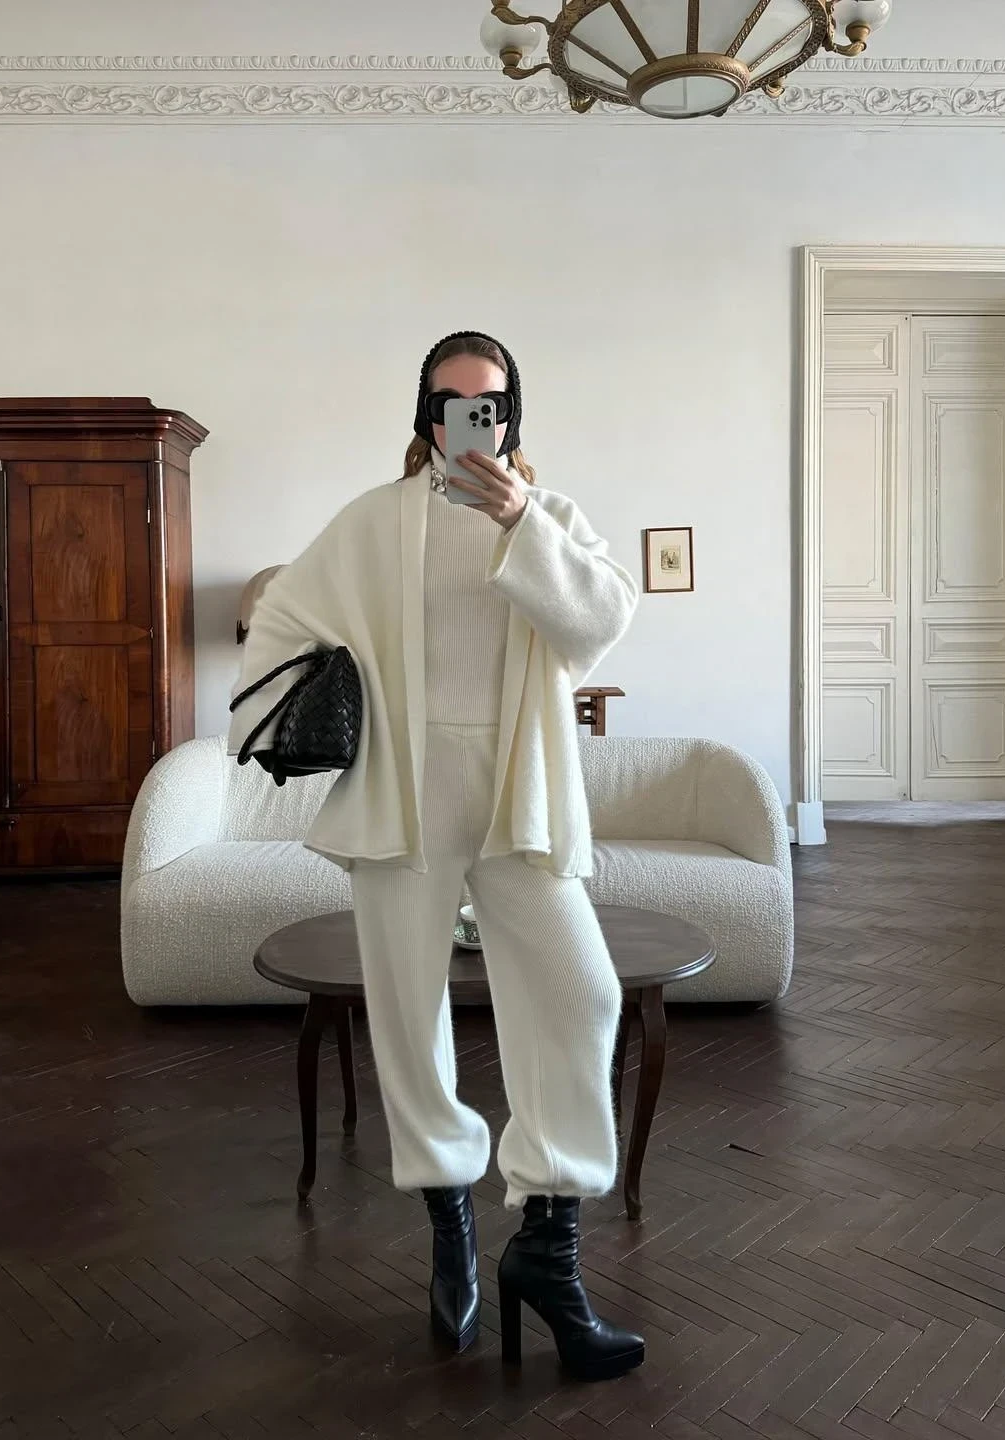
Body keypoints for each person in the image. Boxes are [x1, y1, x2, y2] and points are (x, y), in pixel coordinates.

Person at [229, 331, 643, 1381]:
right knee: (408, 1017)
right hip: (405, 793)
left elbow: (604, 621)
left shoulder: (548, 515)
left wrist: (520, 522)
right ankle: (450, 1223)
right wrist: (300, 706)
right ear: (424, 412)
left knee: (583, 994)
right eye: (452, 401)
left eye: (489, 404)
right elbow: (278, 615)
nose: (472, 421)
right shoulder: (374, 520)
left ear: (511, 417)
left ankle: (547, 1246)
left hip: (517, 790)